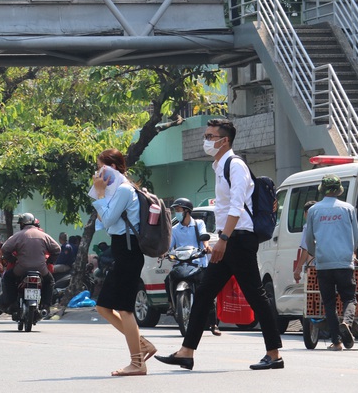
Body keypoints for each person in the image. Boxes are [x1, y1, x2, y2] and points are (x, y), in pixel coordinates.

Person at [156, 118, 283, 371]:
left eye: (210, 136)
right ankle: (186, 352)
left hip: (238, 240)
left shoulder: (235, 165)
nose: (206, 141)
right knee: (204, 293)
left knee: (255, 296)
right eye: (206, 135)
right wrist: (221, 239)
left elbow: (236, 207)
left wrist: (223, 239)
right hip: (230, 240)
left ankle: (274, 354)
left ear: (225, 140)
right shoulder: (220, 165)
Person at [90, 148, 156, 376]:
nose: (98, 173)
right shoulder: (117, 190)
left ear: (113, 168)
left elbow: (107, 220)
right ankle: (143, 345)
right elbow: (106, 222)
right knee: (103, 306)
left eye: (101, 167)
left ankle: (138, 362)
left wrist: (99, 195)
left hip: (128, 252)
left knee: (125, 309)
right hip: (122, 251)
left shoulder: (125, 191)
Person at [303, 175, 358, 351]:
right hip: (344, 262)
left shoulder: (313, 210)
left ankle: (336, 342)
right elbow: (356, 237)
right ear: (339, 190)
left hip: (324, 263)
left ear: (322, 189)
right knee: (349, 297)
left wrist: (316, 254)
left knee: (329, 302)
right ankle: (347, 322)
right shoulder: (348, 209)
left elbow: (308, 238)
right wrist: (350, 252)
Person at [166, 197, 220, 336]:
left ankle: (213, 324)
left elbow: (204, 238)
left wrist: (207, 247)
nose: (176, 213)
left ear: (187, 211)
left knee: (208, 293)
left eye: (178, 210)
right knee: (168, 279)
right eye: (175, 210)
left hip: (198, 263)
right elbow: (170, 245)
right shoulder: (175, 229)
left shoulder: (198, 224)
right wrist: (164, 252)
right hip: (181, 263)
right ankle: (172, 305)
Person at [0, 213, 60, 315]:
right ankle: (46, 305)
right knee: (49, 281)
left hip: (21, 269)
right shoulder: (43, 235)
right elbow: (57, 249)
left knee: (8, 278)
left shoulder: (18, 236)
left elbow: (5, 249)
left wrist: (12, 259)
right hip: (41, 269)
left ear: (22, 224)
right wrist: (50, 261)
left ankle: (12, 302)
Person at [293, 201, 317, 283]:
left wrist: (298, 269)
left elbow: (306, 249)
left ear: (305, 213)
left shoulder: (307, 227)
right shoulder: (323, 225)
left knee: (312, 293)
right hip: (326, 266)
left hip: (313, 268)